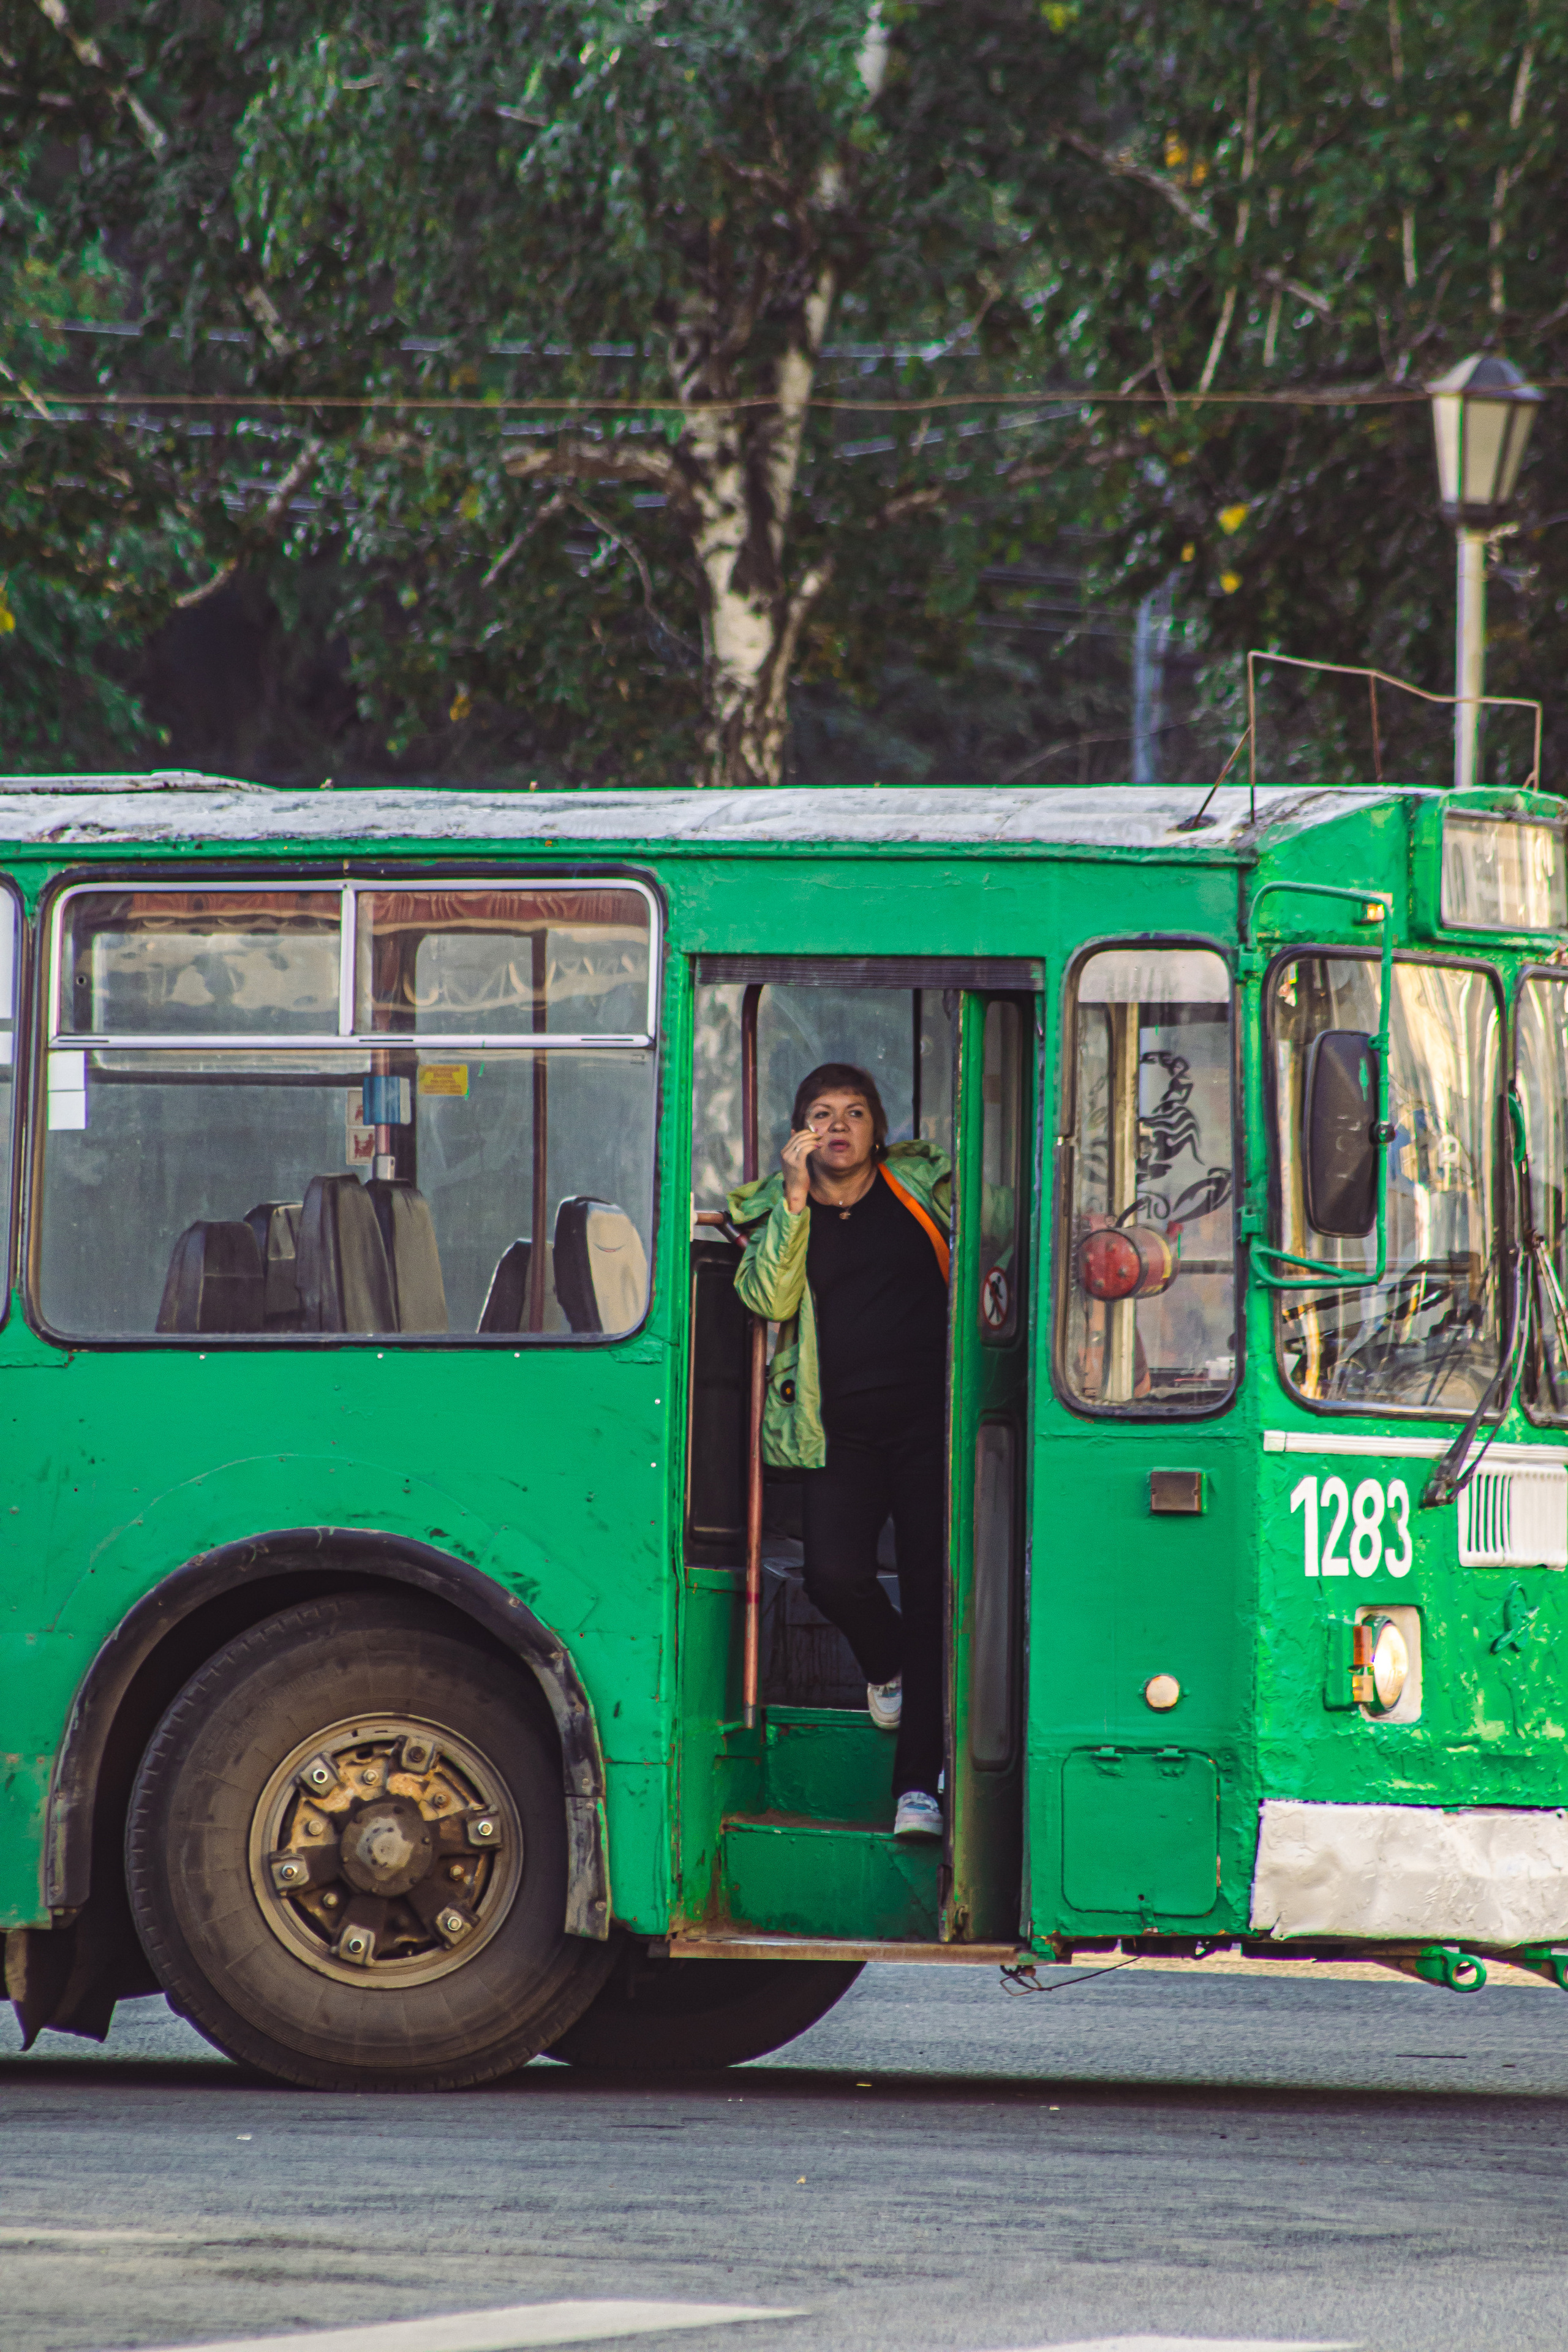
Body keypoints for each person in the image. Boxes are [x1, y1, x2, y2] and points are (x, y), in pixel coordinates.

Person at [728, 1063, 951, 1840]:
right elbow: (765, 1300)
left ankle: (917, 1788)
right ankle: (885, 1664)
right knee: (833, 1575)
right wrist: (792, 1204)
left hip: (932, 1427)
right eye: (821, 1114)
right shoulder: (779, 1211)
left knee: (931, 1596)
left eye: (854, 1113)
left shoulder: (922, 1192)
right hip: (836, 1428)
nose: (838, 1127)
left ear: (877, 1128)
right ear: (799, 1134)